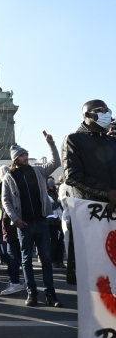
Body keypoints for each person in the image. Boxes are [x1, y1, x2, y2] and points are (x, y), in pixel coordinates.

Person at [1, 132, 63, 307]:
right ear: (15, 159)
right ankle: (32, 293)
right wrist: (15, 219)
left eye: (26, 154)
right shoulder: (9, 177)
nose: (25, 157)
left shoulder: (37, 170)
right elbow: (5, 200)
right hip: (24, 225)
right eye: (22, 155)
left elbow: (55, 163)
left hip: (41, 222)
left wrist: (51, 144)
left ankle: (51, 294)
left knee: (46, 259)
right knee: (26, 260)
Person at [62, 99, 116, 283]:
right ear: (86, 115)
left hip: (112, 213)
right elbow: (72, 176)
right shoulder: (74, 139)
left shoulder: (111, 142)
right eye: (100, 110)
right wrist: (106, 193)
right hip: (91, 214)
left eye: (107, 109)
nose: (106, 113)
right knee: (94, 273)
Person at [0, 165, 26, 296]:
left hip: (10, 224)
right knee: (21, 254)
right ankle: (25, 280)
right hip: (17, 222)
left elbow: (6, 206)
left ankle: (15, 282)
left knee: (13, 254)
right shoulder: (16, 182)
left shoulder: (5, 184)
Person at [46, 177, 65, 269]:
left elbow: (62, 205)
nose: (52, 183)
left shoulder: (57, 193)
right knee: (53, 241)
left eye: (52, 180)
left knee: (60, 241)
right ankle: (53, 260)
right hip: (51, 220)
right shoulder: (45, 194)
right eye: (49, 181)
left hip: (59, 219)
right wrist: (58, 203)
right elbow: (50, 206)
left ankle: (60, 261)